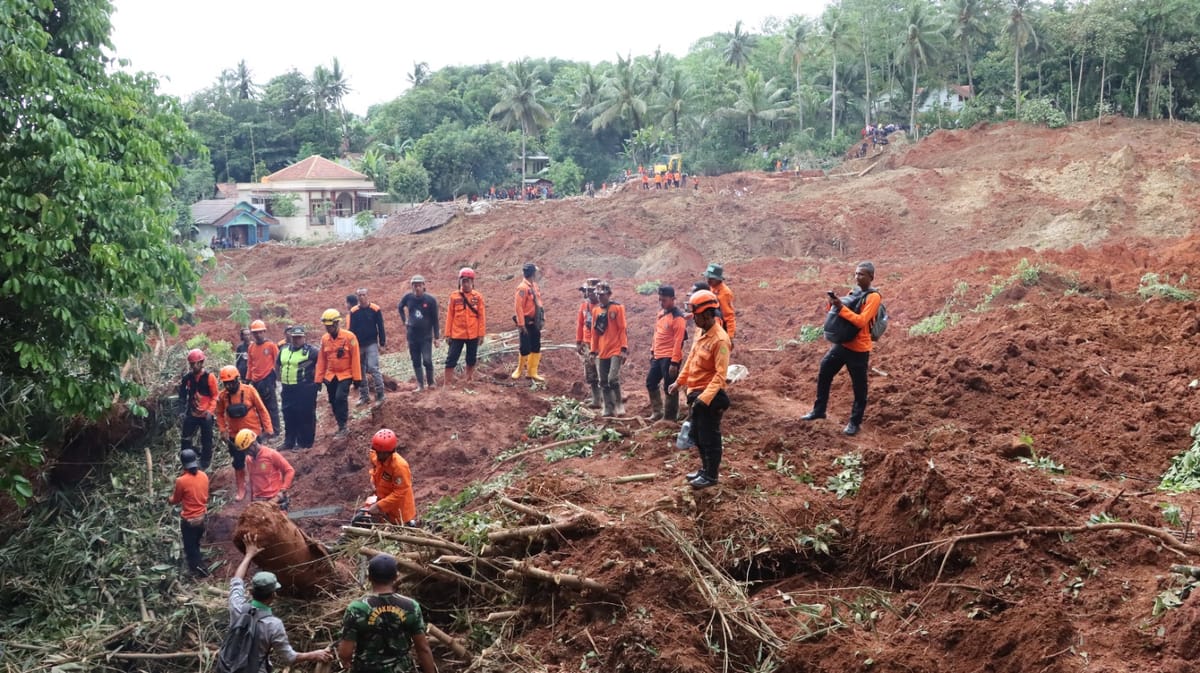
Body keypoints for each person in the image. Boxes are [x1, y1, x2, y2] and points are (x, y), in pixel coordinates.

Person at [801, 261, 883, 436]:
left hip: (859, 349)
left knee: (859, 388)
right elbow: (843, 313)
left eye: (861, 274)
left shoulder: (874, 297)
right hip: (843, 344)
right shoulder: (854, 292)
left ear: (871, 277)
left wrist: (840, 307)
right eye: (856, 273)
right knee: (824, 371)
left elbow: (861, 321)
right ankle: (819, 410)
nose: (857, 277)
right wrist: (833, 305)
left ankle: (855, 422)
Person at [228, 538, 333, 671]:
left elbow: (237, 580)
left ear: (250, 591)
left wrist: (249, 555)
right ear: (274, 595)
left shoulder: (237, 607)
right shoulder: (273, 625)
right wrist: (313, 654)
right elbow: (289, 657)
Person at [669, 289, 731, 489]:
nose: (693, 319)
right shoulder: (700, 332)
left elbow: (721, 375)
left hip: (709, 397)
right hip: (695, 394)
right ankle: (704, 470)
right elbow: (692, 360)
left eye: (695, 316)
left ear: (705, 314)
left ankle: (711, 475)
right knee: (698, 436)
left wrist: (703, 400)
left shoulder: (720, 340)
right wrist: (679, 382)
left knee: (710, 437)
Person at [337, 553, 437, 673]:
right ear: (396, 576)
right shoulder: (411, 606)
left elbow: (345, 653)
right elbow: (422, 648)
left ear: (369, 577)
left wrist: (346, 661)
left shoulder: (357, 609)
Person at [215, 365, 274, 501]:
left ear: (237, 379)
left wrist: (268, 428)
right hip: (235, 436)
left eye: (231, 383)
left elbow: (262, 409)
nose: (229, 386)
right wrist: (222, 429)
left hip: (252, 434)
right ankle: (241, 488)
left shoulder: (249, 391)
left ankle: (262, 486)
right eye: (226, 384)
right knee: (238, 462)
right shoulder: (223, 396)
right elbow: (219, 413)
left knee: (258, 460)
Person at [315, 308, 362, 438]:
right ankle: (340, 424)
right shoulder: (325, 339)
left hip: (345, 374)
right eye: (326, 326)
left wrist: (357, 377)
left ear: (336, 323)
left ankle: (343, 426)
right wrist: (318, 380)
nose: (328, 329)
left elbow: (355, 357)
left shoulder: (350, 337)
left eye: (329, 326)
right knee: (333, 400)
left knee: (340, 398)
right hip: (330, 376)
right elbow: (322, 360)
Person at [646, 286, 687, 422]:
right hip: (658, 356)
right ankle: (657, 411)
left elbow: (678, 341)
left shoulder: (678, 318)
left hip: (670, 357)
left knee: (669, 386)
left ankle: (670, 417)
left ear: (673, 299)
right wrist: (653, 351)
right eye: (660, 300)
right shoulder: (661, 314)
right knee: (651, 382)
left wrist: (674, 362)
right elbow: (656, 334)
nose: (661, 302)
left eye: (664, 300)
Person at [168, 448, 209, 577]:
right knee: (196, 543)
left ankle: (200, 571)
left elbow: (175, 500)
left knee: (190, 548)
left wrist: (168, 499)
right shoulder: (204, 475)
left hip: (189, 521)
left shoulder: (181, 480)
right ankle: (195, 566)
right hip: (202, 517)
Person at [589, 281, 628, 417]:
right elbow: (594, 333)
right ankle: (608, 407)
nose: (600, 297)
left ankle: (619, 404)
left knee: (612, 378)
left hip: (615, 349)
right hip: (602, 350)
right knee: (603, 381)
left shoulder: (617, 308)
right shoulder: (595, 311)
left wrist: (624, 349)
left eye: (603, 295)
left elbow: (622, 329)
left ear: (609, 294)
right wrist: (593, 351)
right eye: (598, 295)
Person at [277, 326, 319, 450]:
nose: (296, 340)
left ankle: (305, 442)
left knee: (305, 415)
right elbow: (278, 363)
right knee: (288, 414)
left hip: (304, 388)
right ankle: (289, 441)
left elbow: (322, 363)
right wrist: (279, 378)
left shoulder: (312, 351)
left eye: (299, 337)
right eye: (294, 337)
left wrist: (316, 381)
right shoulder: (284, 350)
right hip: (287, 388)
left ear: (304, 337)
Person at [365, 429, 417, 526]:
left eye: (379, 453)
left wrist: (379, 506)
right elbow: (375, 468)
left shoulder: (399, 467)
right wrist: (373, 481)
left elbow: (400, 492)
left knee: (398, 532)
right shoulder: (375, 455)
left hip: (399, 511)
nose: (376, 455)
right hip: (383, 503)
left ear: (387, 453)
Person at [444, 267, 486, 386]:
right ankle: (447, 383)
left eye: (468, 281)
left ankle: (469, 380)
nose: (465, 284)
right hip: (457, 334)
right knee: (451, 358)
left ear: (472, 282)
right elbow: (450, 316)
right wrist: (447, 334)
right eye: (463, 281)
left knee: (471, 358)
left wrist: (481, 334)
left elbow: (482, 316)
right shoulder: (454, 297)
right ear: (460, 282)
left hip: (473, 334)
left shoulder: (478, 297)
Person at [234, 429, 295, 510]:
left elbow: (290, 470)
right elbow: (252, 480)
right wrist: (252, 500)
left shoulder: (271, 454)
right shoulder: (249, 459)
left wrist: (283, 490)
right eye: (244, 451)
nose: (246, 453)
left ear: (254, 443)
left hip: (274, 497)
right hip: (259, 500)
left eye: (247, 449)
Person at [398, 275, 441, 391]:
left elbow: (435, 320)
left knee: (427, 359)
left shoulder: (430, 300)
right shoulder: (408, 297)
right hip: (412, 335)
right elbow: (400, 306)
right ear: (412, 287)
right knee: (416, 360)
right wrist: (404, 320)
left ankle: (431, 382)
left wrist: (437, 337)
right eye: (414, 286)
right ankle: (420, 385)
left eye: (419, 285)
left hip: (426, 336)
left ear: (423, 286)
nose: (417, 288)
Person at [179, 348, 218, 469]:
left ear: (201, 363)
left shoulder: (209, 377)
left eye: (195, 363)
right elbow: (182, 396)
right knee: (185, 438)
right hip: (192, 413)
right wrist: (181, 411)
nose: (193, 366)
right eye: (191, 364)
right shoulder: (187, 378)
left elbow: (215, 395)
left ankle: (205, 462)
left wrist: (210, 412)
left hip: (205, 414)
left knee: (206, 439)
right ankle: (187, 459)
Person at [348, 287, 387, 406]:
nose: (362, 297)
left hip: (371, 343)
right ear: (357, 297)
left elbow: (380, 327)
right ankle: (364, 396)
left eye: (364, 295)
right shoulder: (354, 311)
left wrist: (382, 343)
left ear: (367, 296)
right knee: (360, 370)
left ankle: (380, 394)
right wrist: (351, 346)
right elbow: (351, 330)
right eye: (359, 295)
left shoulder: (375, 309)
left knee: (373, 367)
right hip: (358, 345)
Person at [246, 320, 281, 439]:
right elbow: (250, 365)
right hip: (256, 381)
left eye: (260, 332)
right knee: (259, 407)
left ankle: (275, 431)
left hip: (267, 379)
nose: (258, 335)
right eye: (255, 333)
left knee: (271, 406)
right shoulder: (251, 347)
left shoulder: (271, 346)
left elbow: (278, 362)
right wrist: (248, 379)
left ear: (264, 332)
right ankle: (265, 430)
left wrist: (276, 378)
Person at [511, 262, 545, 382]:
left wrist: (541, 318)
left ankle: (532, 372)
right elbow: (518, 307)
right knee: (524, 347)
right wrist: (521, 324)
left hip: (534, 322)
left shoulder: (534, 286)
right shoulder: (522, 288)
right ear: (532, 273)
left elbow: (539, 303)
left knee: (536, 346)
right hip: (525, 322)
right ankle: (519, 369)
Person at [575, 278, 601, 408]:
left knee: (602, 372)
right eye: (587, 291)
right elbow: (580, 324)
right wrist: (578, 341)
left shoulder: (603, 307)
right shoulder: (584, 306)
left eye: (592, 291)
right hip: (587, 343)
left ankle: (607, 399)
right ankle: (596, 399)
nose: (589, 294)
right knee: (590, 372)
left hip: (601, 344)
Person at [704, 263, 737, 346]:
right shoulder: (711, 288)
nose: (708, 280)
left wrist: (730, 336)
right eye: (708, 278)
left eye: (711, 278)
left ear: (719, 279)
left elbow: (729, 316)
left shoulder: (725, 293)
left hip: (721, 330)